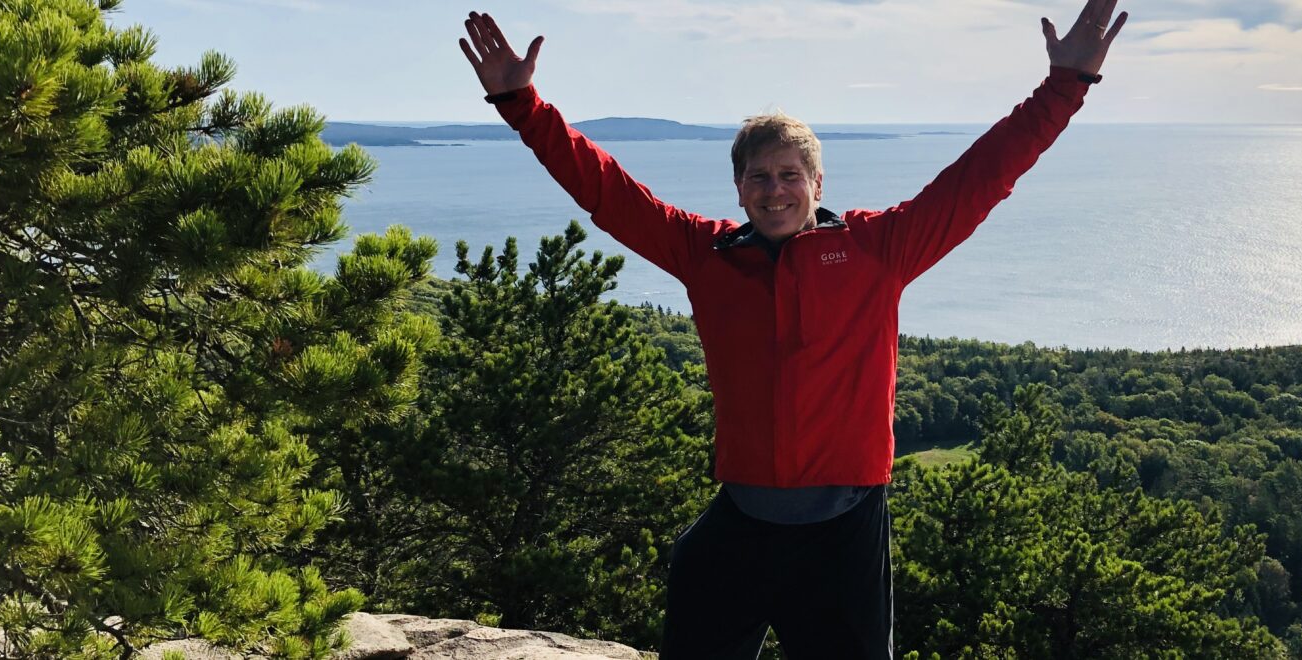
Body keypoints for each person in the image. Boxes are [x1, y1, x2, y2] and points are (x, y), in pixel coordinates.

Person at [457, 3, 1127, 657]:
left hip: (845, 531)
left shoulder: (877, 248)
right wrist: (523, 105)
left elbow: (981, 178)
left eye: (788, 175)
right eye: (758, 177)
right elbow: (607, 192)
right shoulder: (707, 254)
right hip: (740, 522)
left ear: (816, 182)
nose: (774, 191)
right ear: (739, 187)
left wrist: (1066, 86)